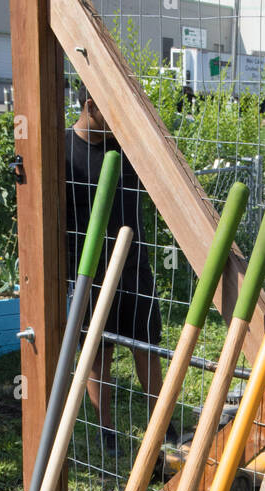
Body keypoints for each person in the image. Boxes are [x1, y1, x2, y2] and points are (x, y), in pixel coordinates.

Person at [65, 85, 178, 460]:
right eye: (111, 113)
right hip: (90, 273)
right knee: (99, 351)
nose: (118, 123)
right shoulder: (64, 151)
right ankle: (106, 429)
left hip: (134, 266)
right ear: (91, 105)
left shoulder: (126, 149)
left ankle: (162, 421)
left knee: (147, 346)